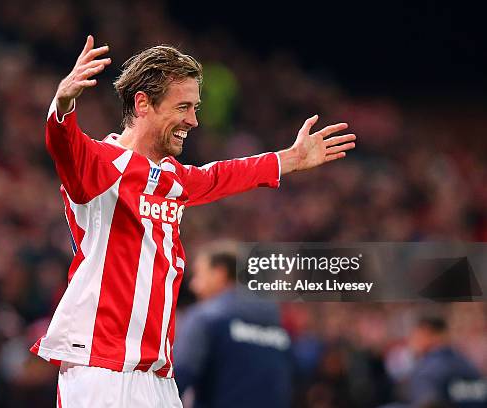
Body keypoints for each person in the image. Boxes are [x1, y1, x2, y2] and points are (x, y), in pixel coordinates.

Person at [30, 34, 356, 407]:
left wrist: (289, 159)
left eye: (195, 107)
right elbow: (63, 142)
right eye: (183, 107)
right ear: (143, 104)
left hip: (157, 374)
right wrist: (63, 102)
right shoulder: (101, 166)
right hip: (101, 365)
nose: (194, 120)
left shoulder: (172, 177)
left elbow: (221, 175)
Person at [174, 242, 295, 407]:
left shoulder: (206, 317)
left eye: (199, 275)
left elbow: (180, 377)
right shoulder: (275, 319)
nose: (194, 286)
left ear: (219, 273)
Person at [405, 316, 487, 408]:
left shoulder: (428, 369)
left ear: (426, 331)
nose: (412, 341)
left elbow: (427, 402)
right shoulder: (466, 363)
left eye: (415, 335)